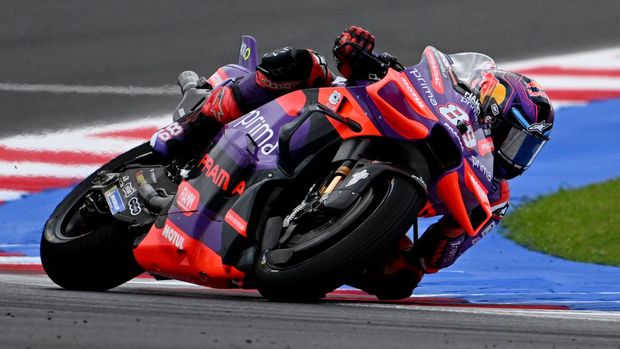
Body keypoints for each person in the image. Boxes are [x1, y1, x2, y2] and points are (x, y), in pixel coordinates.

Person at [151, 26, 555, 299]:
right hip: (330, 113)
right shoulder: (443, 97)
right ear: (490, 108)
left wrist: (439, 245)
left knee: (401, 279)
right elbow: (356, 63)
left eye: (526, 148)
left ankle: (308, 245)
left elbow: (434, 258)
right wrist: (357, 52)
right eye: (514, 137)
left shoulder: (491, 195)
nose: (514, 153)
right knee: (301, 63)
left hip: (378, 200)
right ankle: (193, 124)